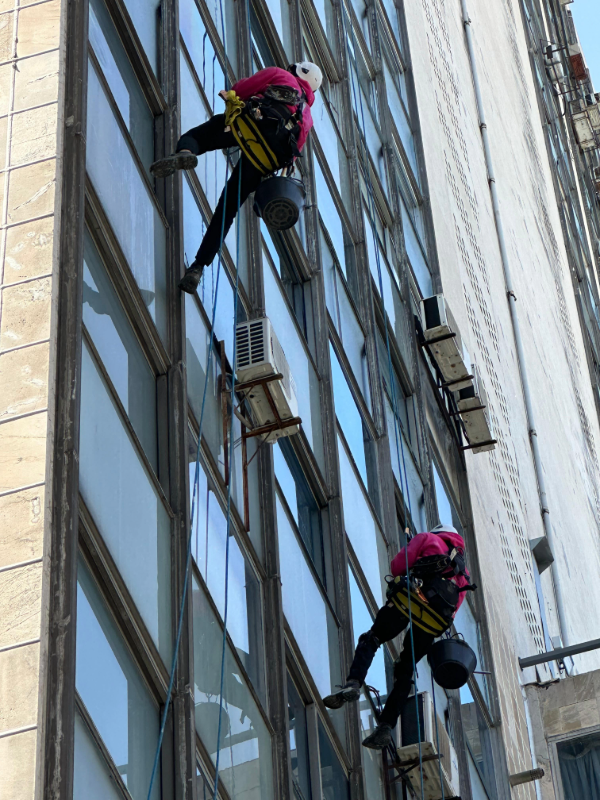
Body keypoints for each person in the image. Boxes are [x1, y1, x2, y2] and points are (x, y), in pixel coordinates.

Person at [150, 61, 322, 294]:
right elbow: (292, 156)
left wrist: (233, 92)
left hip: (248, 126)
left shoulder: (281, 75)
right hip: (264, 160)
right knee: (227, 209)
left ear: (297, 71)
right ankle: (197, 267)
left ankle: (186, 152)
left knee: (200, 135)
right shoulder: (307, 117)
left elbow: (241, 90)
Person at [323, 524, 476, 749]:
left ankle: (354, 683)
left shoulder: (427, 539)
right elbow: (453, 610)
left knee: (372, 638)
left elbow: (397, 567)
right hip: (433, 622)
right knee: (405, 668)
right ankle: (386, 726)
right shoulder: (463, 574)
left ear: (439, 532)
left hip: (409, 600)